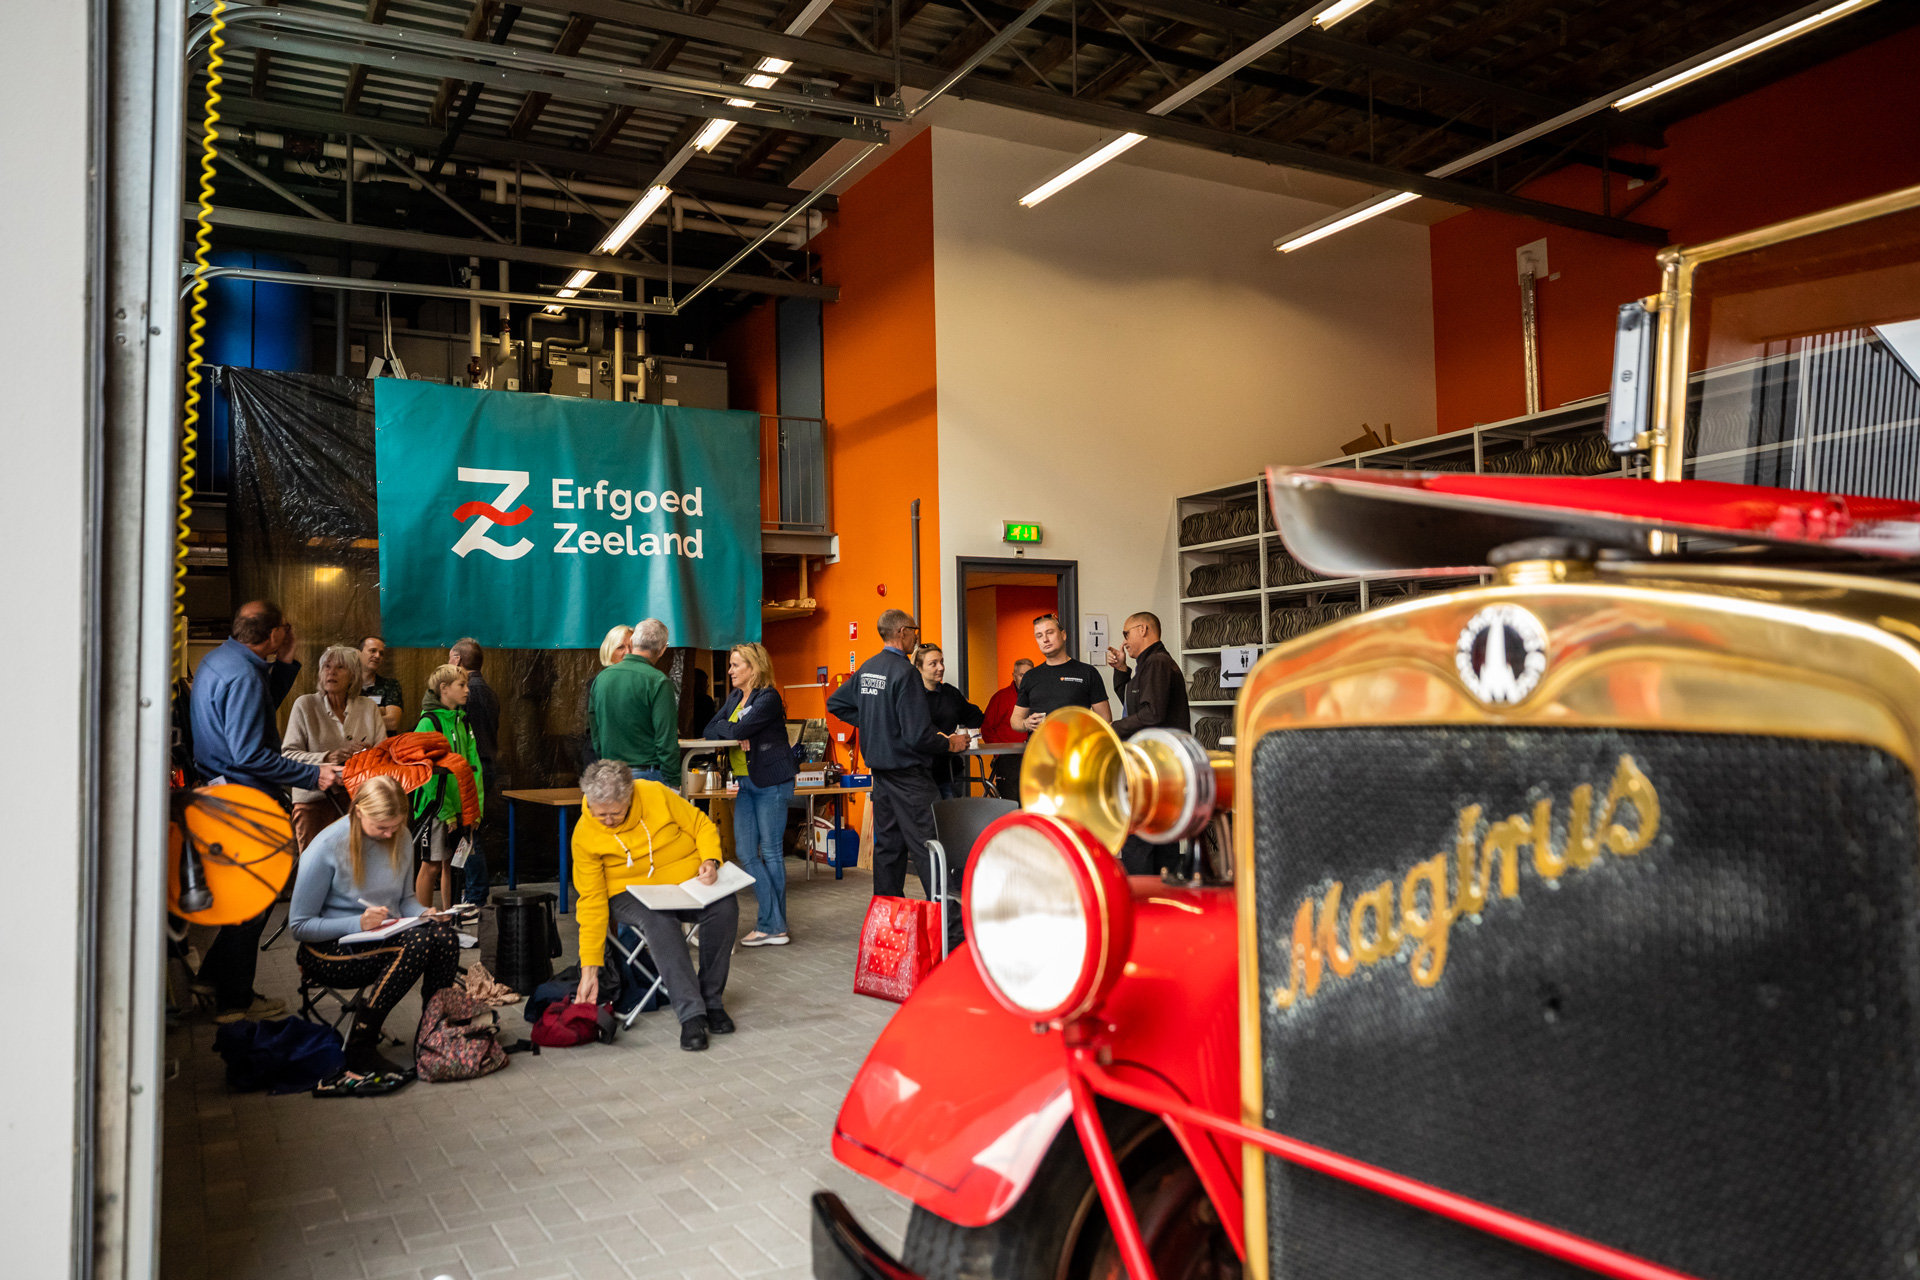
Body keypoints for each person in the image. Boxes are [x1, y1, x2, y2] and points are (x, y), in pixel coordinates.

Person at [190, 601, 341, 1023]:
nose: (288, 635)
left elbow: (253, 718)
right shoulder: (244, 676)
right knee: (256, 900)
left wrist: (286, 664)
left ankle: (212, 977)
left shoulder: (220, 661)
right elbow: (252, 753)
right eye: (284, 631)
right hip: (246, 800)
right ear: (272, 633)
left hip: (221, 795)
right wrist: (316, 776)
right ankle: (234, 1001)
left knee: (247, 897)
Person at [289, 775, 460, 1075]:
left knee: (444, 936)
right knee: (418, 944)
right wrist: (358, 923)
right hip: (328, 950)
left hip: (381, 937)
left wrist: (424, 914)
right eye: (381, 827)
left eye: (395, 826)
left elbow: (405, 899)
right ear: (358, 812)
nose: (388, 833)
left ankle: (434, 1031)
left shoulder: (401, 836)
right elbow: (299, 926)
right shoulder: (326, 846)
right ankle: (360, 1044)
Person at [570, 759, 737, 1051]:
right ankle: (692, 1014)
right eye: (601, 815)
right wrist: (590, 969)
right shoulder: (585, 834)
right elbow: (591, 902)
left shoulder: (654, 793)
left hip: (682, 883)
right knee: (658, 918)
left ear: (630, 797)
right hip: (626, 892)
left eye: (616, 813)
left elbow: (700, 824)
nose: (608, 820)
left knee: (724, 906)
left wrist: (710, 859)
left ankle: (711, 1000)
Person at [827, 610, 968, 899]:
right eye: (915, 631)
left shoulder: (868, 668)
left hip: (881, 777)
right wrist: (949, 744)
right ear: (903, 632)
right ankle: (947, 927)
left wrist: (875, 720)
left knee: (888, 849)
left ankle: (888, 917)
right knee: (930, 846)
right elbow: (918, 735)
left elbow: (836, 703)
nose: (917, 636)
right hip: (910, 778)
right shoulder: (906, 673)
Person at [703, 643, 797, 946]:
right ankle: (775, 924)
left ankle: (771, 925)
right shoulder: (734, 698)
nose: (730, 671)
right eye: (730, 665)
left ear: (753, 668)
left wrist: (739, 730)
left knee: (770, 852)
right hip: (746, 783)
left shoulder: (768, 697)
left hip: (771, 782)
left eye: (735, 665)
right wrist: (736, 729)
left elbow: (733, 732)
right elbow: (709, 729)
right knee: (745, 852)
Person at [1105, 612, 1193, 875]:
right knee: (1159, 837)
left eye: (1126, 634)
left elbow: (1151, 714)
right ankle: (1163, 898)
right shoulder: (1150, 663)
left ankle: (1143, 900)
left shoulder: (1156, 663)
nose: (1124, 642)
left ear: (1143, 629)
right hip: (1160, 766)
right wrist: (1121, 670)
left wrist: (1111, 729)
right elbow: (1134, 705)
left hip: (1157, 767)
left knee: (1141, 839)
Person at [282, 644, 387, 848]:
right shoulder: (305, 705)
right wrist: (328, 757)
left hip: (358, 799)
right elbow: (288, 756)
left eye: (340, 667)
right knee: (313, 864)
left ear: (353, 675)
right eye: (326, 667)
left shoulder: (368, 707)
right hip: (313, 797)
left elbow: (383, 754)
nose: (331, 672)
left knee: (356, 863)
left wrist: (365, 755)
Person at [412, 664, 484, 912]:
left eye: (467, 685)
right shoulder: (428, 723)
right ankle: (422, 922)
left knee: (453, 865)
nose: (467, 690)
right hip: (437, 810)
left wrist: (475, 809)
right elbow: (426, 773)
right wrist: (446, 812)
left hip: (462, 807)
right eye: (461, 685)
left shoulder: (463, 722)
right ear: (444, 689)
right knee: (431, 864)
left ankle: (449, 919)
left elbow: (474, 768)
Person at [590, 617, 678, 783]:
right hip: (647, 774)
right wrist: (673, 780)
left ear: (633, 642)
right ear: (663, 649)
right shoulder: (658, 681)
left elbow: (596, 735)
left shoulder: (600, 680)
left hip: (610, 774)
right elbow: (666, 740)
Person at [450, 638, 498, 906]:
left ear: (457, 660)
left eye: (449, 658)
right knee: (469, 830)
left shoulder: (468, 693)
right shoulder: (487, 691)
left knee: (468, 831)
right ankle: (472, 891)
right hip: (484, 765)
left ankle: (476, 894)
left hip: (472, 769)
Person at [1011, 613, 1112, 733]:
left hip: (1077, 748)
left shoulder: (1087, 672)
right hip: (1040, 749)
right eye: (1039, 635)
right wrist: (1025, 723)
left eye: (1050, 632)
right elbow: (1015, 720)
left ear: (1063, 635)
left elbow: (1105, 719)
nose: (1045, 639)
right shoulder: (1030, 676)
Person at [913, 643, 985, 799]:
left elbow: (975, 715)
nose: (940, 667)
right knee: (928, 822)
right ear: (919, 668)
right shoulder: (911, 696)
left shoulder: (950, 693)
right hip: (921, 774)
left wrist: (964, 734)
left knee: (951, 821)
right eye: (933, 664)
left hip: (950, 772)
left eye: (942, 662)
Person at [980, 658, 1034, 798]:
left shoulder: (1038, 698)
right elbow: (987, 729)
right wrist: (1000, 752)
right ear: (1014, 676)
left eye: (1029, 675)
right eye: (1022, 675)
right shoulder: (1001, 698)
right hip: (1008, 759)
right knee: (1011, 801)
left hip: (1033, 757)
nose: (1026, 679)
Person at [359, 635, 405, 734]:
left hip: (383, 747)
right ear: (359, 653)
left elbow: (392, 723)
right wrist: (379, 710)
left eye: (381, 653)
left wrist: (356, 718)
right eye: (372, 650)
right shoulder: (347, 686)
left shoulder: (390, 685)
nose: (377, 656)